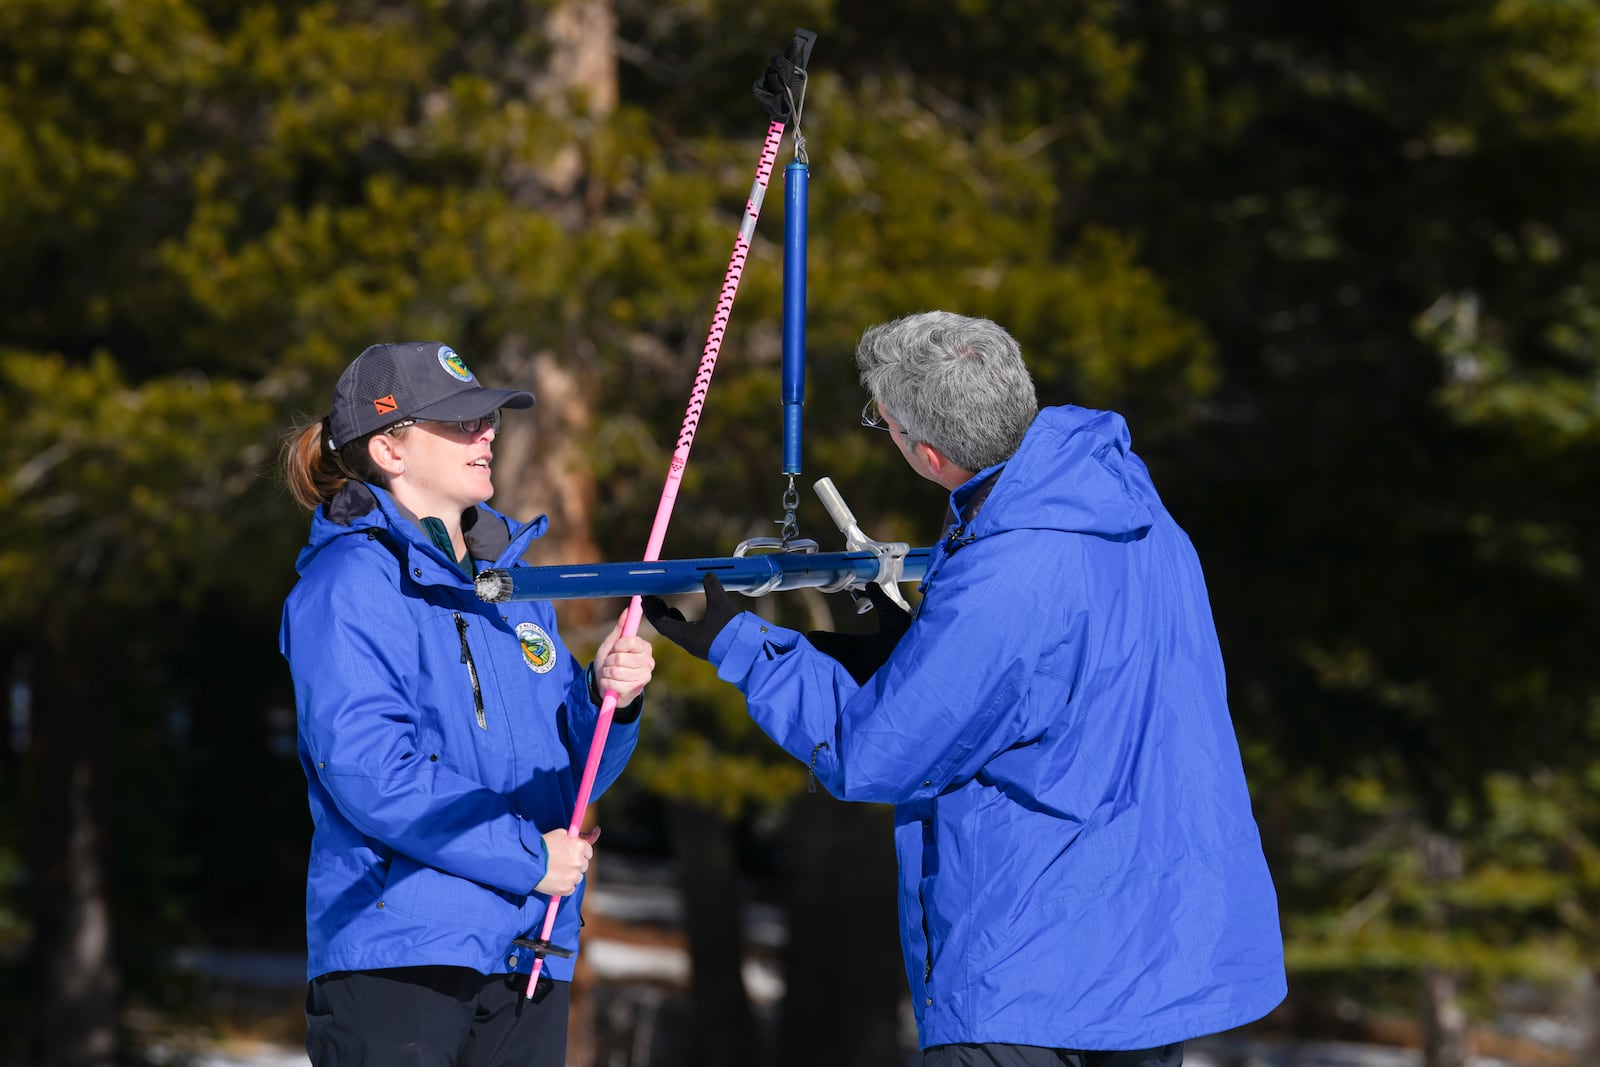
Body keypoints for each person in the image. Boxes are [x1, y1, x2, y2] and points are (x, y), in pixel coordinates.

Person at [644, 312, 1286, 1066]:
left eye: (880, 422)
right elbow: (1055, 687)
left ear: (928, 452)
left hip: (1031, 964)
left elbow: (873, 754)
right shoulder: (1131, 512)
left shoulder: (1010, 567)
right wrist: (916, 646)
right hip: (1145, 958)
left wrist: (738, 643)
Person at [279, 340, 655, 1067]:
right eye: (457, 422)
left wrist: (608, 699)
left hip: (527, 950)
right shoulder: (350, 582)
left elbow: (569, 778)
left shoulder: (512, 589)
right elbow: (371, 772)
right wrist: (524, 855)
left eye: (486, 418)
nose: (485, 433)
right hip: (400, 956)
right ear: (390, 448)